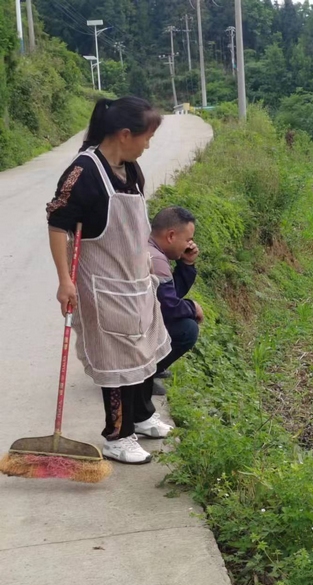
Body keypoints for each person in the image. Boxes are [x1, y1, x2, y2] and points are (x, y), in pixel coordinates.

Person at [46, 96, 173, 465]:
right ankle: (117, 436)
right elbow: (57, 225)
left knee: (143, 351)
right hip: (102, 285)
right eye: (146, 137)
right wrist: (64, 281)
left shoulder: (130, 169)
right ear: (125, 134)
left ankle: (142, 416)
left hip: (135, 280)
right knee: (116, 362)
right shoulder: (83, 172)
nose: (148, 145)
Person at [149, 206, 203, 395]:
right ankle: (144, 376)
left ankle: (148, 368)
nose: (190, 245)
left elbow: (171, 295)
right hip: (129, 331)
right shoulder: (156, 260)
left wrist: (186, 264)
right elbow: (169, 308)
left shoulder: (148, 247)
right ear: (171, 236)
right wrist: (192, 307)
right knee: (187, 329)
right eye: (188, 239)